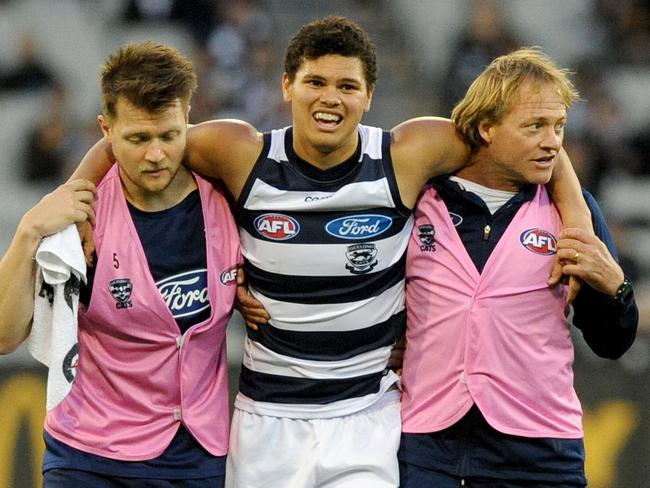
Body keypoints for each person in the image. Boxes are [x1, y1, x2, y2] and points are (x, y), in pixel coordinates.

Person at [71, 18, 591, 488]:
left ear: (369, 96)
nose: (330, 98)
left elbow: (521, 141)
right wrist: (74, 196)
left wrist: (578, 219)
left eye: (347, 86)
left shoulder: (407, 154)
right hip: (267, 421)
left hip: (366, 416)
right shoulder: (241, 152)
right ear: (287, 85)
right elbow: (141, 135)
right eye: (315, 82)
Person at [0, 42, 241, 487]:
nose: (155, 154)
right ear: (105, 130)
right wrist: (28, 233)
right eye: (137, 139)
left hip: (197, 459)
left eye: (169, 136)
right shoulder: (75, 218)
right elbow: (4, 335)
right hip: (91, 460)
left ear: (189, 120)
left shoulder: (228, 201)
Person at [398, 47, 639, 487]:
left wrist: (616, 289)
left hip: (540, 454)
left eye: (559, 127)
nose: (553, 142)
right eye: (535, 127)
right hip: (429, 447)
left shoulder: (575, 211)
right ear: (486, 127)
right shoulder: (422, 200)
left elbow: (611, 342)